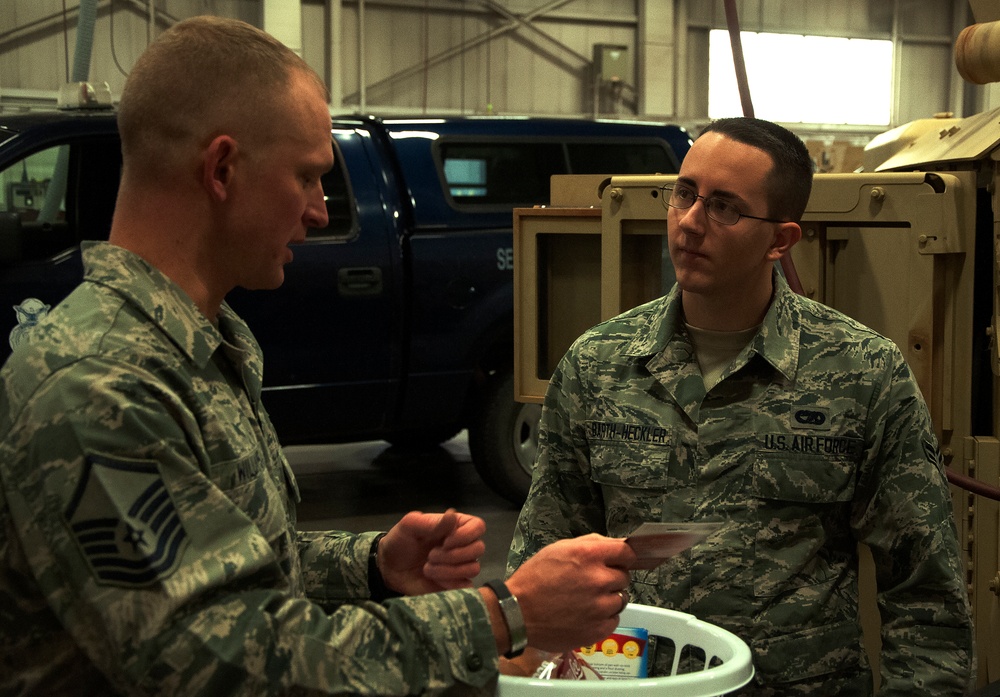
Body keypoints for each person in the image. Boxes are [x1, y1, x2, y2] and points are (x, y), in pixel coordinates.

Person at [0, 15, 639, 696]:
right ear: (221, 169)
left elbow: (232, 558)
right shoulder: (101, 382)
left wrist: (371, 566)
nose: (319, 210)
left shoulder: (203, 341)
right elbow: (215, 659)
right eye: (307, 177)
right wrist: (504, 614)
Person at [507, 117, 975, 695]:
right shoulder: (598, 364)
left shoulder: (861, 373)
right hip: (635, 684)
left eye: (724, 207)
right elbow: (543, 563)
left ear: (781, 240)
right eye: (684, 194)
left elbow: (925, 597)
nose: (689, 223)